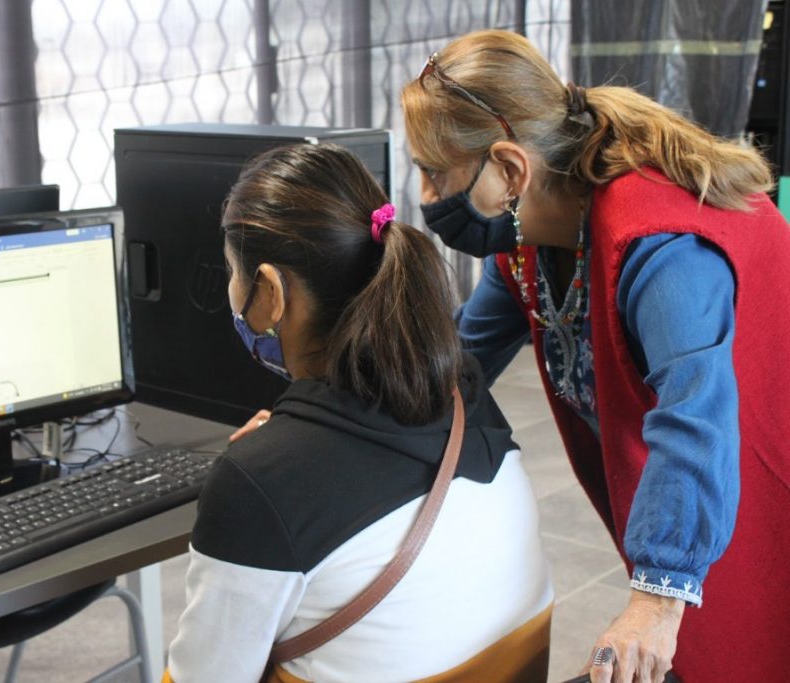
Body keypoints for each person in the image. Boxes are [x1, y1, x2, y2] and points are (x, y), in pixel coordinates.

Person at [400, 28, 790, 683]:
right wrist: (326, 419)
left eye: (435, 172)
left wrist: (656, 598)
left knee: (749, 636)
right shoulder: (527, 249)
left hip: (754, 460)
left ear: (511, 169)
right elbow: (455, 363)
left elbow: (694, 415)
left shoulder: (660, 245)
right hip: (708, 480)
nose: (426, 196)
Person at [163, 143, 553, 682]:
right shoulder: (463, 389)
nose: (232, 290)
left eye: (233, 272)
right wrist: (285, 455)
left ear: (271, 291)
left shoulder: (259, 483)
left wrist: (268, 469)